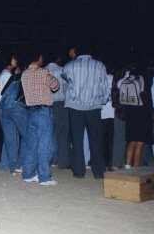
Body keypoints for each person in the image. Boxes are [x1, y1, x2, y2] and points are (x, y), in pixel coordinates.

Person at [62, 44, 109, 179]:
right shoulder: (99, 65)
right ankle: (99, 172)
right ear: (90, 50)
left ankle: (79, 172)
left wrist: (72, 59)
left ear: (75, 52)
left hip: (75, 107)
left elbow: (65, 76)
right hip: (94, 106)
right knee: (96, 139)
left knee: (77, 140)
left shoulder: (70, 65)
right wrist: (102, 100)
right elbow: (104, 85)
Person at [21, 48, 60, 185]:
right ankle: (44, 177)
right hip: (43, 112)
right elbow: (55, 86)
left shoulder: (24, 74)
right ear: (38, 58)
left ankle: (28, 173)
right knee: (45, 144)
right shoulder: (44, 72)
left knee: (31, 144)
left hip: (30, 112)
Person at [45, 49, 70, 170]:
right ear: (58, 59)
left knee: (49, 133)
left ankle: (50, 160)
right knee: (62, 134)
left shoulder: (43, 71)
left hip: (47, 105)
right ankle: (63, 162)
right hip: (60, 104)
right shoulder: (62, 70)